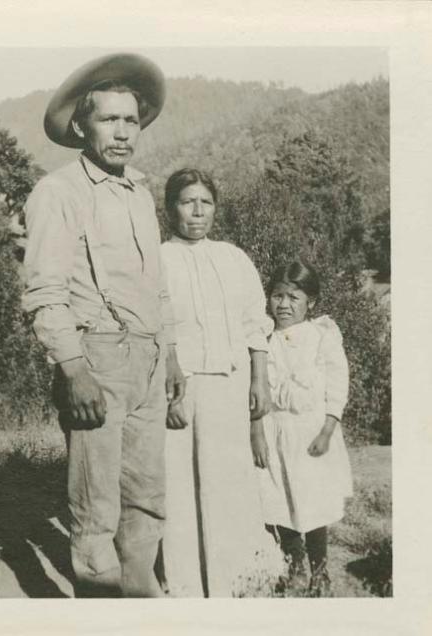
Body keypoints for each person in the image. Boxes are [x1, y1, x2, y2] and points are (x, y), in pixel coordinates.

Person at [22, 53, 185, 598]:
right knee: (96, 508)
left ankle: (138, 603)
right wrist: (75, 370)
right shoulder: (58, 193)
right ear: (80, 126)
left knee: (147, 498)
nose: (122, 132)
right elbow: (44, 293)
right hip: (96, 357)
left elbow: (155, 285)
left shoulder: (139, 192)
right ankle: (99, 611)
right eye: (108, 119)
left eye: (131, 120)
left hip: (149, 360)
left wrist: (171, 357)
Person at [159, 168, 284, 597]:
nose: (197, 211)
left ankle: (238, 585)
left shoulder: (233, 258)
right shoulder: (158, 260)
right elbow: (161, 331)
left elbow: (255, 325)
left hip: (231, 390)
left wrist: (259, 381)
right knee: (182, 488)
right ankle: (189, 588)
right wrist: (171, 394)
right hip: (183, 390)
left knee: (230, 485)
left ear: (216, 208)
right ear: (170, 207)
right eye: (187, 201)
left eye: (205, 202)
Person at [251, 260, 353, 596]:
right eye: (277, 296)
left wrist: (327, 429)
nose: (283, 304)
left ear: (311, 302)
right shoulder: (261, 340)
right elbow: (255, 391)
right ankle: (294, 565)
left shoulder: (322, 334)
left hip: (310, 433)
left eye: (293, 297)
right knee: (279, 501)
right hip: (274, 430)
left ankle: (320, 570)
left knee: (312, 503)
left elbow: (337, 383)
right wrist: (257, 433)